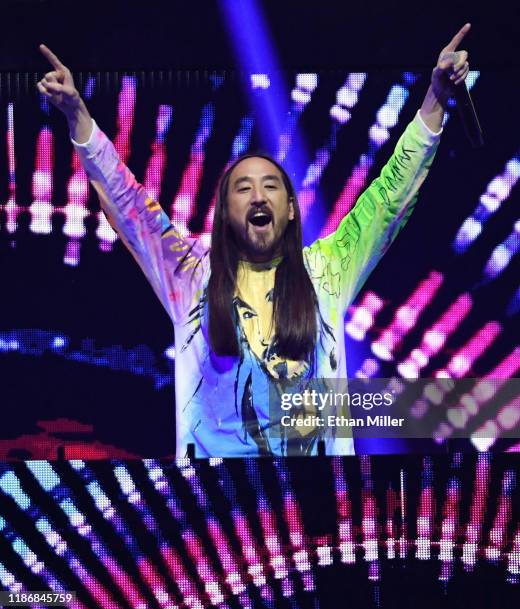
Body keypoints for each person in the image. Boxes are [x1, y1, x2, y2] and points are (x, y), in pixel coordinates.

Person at [37, 25, 471, 458]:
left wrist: (434, 102)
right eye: (243, 189)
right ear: (225, 213)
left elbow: (388, 198)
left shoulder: (327, 270)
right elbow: (128, 204)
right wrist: (78, 117)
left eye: (271, 187)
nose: (258, 196)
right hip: (217, 507)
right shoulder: (192, 276)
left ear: (291, 210)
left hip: (311, 501)